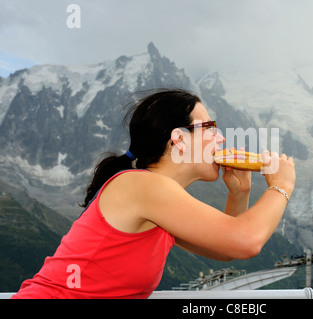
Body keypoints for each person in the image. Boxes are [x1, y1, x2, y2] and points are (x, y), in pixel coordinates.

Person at [11, 88, 296, 299]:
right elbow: (246, 241)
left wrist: (239, 192)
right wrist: (281, 186)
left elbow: (224, 250)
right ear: (179, 139)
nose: (220, 138)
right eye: (210, 127)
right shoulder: (142, 186)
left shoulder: (155, 195)